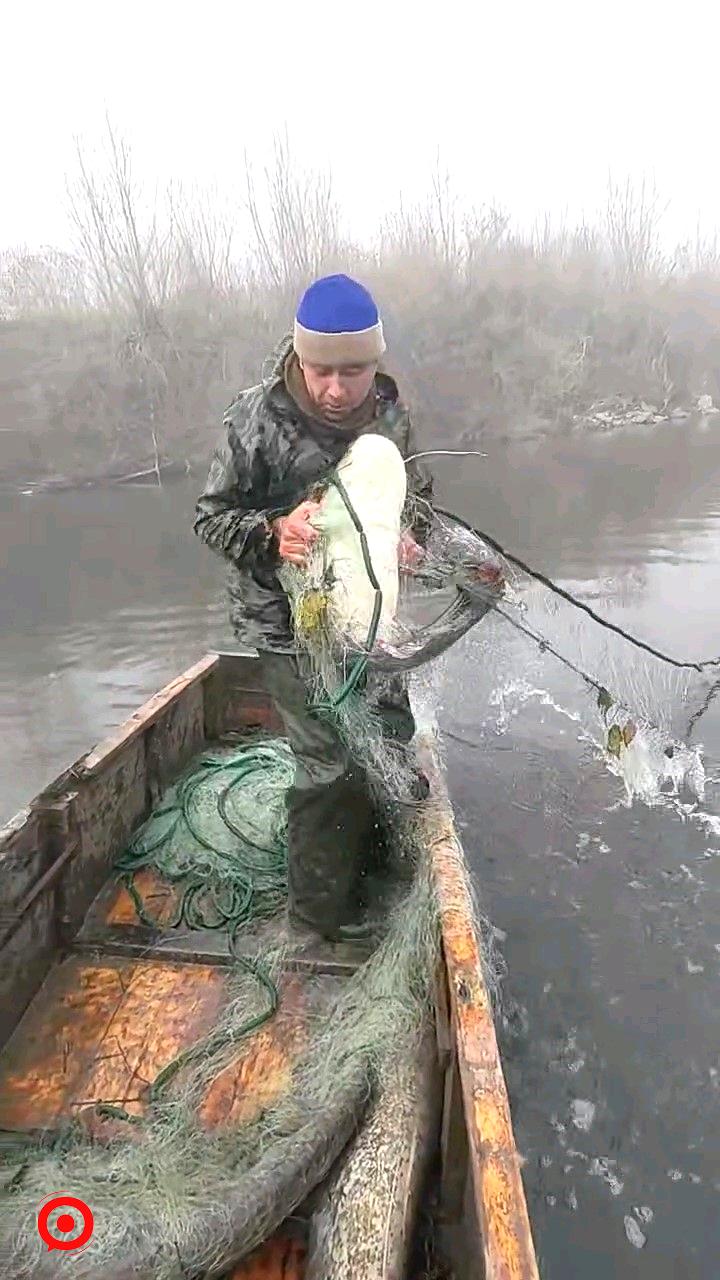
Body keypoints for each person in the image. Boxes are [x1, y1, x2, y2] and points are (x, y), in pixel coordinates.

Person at [194, 273, 433, 942]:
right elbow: (211, 519)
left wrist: (414, 537)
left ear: (375, 362)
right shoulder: (255, 417)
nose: (335, 388)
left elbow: (421, 502)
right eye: (320, 370)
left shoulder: (392, 417)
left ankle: (384, 876)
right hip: (286, 626)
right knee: (329, 763)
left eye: (352, 371)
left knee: (388, 741)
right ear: (299, 359)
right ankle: (316, 920)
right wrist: (273, 533)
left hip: (371, 623)